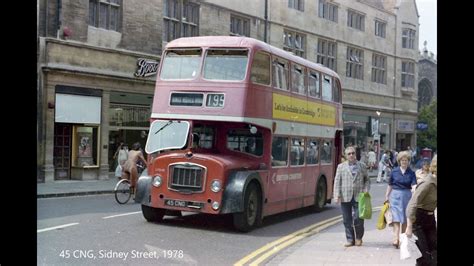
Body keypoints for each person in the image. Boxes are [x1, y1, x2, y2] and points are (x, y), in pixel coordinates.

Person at [333, 146, 370, 247]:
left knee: (358, 218)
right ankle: (350, 239)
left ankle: (358, 238)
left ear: (355, 154)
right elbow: (337, 181)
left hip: (359, 196)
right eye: (349, 154)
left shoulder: (362, 166)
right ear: (345, 156)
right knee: (347, 219)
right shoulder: (341, 167)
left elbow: (367, 179)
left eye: (353, 153)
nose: (351, 155)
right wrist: (336, 195)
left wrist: (366, 190)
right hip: (345, 196)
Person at [406, 155, 437, 266]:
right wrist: (409, 227)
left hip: (430, 218)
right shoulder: (428, 183)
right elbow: (412, 204)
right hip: (418, 220)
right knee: (423, 256)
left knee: (434, 253)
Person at [384, 151, 416, 248]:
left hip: (407, 196)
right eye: (402, 160)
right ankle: (396, 239)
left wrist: (415, 190)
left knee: (405, 219)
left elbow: (414, 185)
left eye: (406, 160)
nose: (404, 162)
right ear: (399, 161)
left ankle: (403, 239)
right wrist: (386, 196)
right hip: (395, 196)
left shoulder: (411, 172)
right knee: (396, 218)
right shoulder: (394, 171)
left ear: (408, 161)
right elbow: (390, 185)